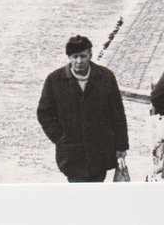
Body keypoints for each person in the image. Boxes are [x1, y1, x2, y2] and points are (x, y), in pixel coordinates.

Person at [37, 35, 129, 183]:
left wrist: (121, 146)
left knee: (98, 189)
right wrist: (60, 137)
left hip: (100, 151)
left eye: (83, 56)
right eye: (75, 57)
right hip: (72, 154)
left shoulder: (105, 77)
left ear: (90, 55)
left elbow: (117, 113)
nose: (79, 61)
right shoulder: (55, 80)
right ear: (69, 57)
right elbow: (44, 113)